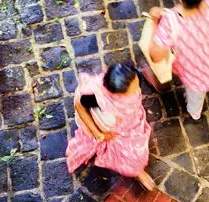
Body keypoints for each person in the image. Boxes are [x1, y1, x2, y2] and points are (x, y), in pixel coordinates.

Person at [148, 0, 209, 120]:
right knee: (196, 91)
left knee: (195, 92)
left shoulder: (171, 21)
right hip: (205, 61)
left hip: (189, 66)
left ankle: (194, 113)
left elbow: (156, 56)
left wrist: (154, 20)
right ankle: (194, 108)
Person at [66, 63, 155, 191]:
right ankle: (137, 171)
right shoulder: (96, 97)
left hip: (132, 121)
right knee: (134, 158)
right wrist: (99, 134)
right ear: (118, 93)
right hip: (116, 132)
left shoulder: (124, 81)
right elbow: (79, 105)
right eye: (133, 88)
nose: (138, 88)